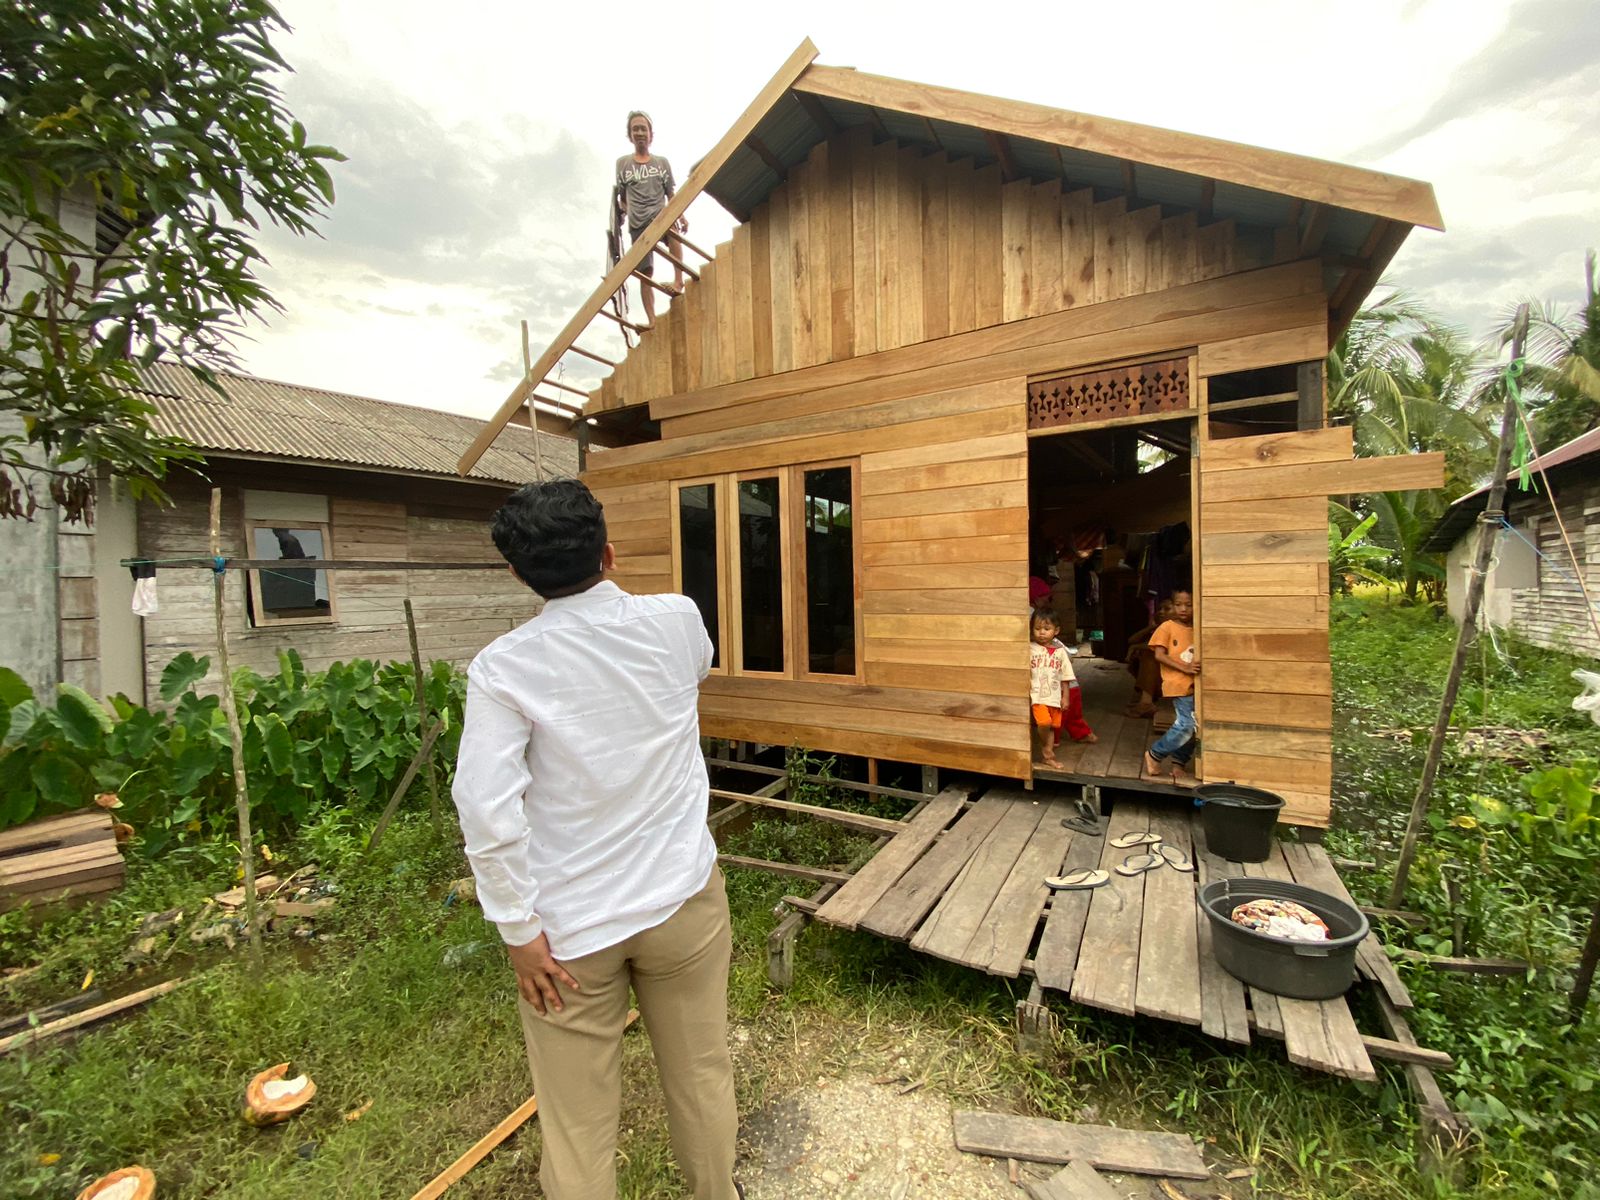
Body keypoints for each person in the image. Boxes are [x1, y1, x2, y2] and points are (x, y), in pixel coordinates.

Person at [451, 479, 740, 1200]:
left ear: (517, 574)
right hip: (682, 902)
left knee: (577, 1123)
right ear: (609, 553)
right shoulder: (678, 619)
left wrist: (518, 930)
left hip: (568, 936)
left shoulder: (504, 668)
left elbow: (485, 808)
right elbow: (697, 669)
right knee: (702, 1074)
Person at [613, 109, 686, 327]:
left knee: (673, 233)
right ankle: (652, 320)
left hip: (660, 214)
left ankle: (679, 281)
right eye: (635, 129)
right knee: (645, 272)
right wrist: (623, 212)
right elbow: (622, 198)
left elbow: (671, 194)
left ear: (650, 134)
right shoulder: (622, 164)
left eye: (643, 129)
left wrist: (681, 215)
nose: (639, 133)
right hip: (638, 221)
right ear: (630, 134)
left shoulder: (661, 163)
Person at [1143, 589, 1200, 783]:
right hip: (1179, 683)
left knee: (1195, 727)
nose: (1183, 609)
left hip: (1197, 683)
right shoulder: (1167, 627)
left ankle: (1178, 763)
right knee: (1186, 725)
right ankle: (1155, 754)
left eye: (1189, 605)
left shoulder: (1198, 627)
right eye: (1178, 604)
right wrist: (1185, 667)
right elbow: (1159, 655)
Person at [1030, 609, 1095, 768]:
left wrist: (1065, 697)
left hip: (1055, 696)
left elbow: (1066, 677)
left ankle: (1048, 755)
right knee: (1044, 723)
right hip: (1037, 696)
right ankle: (1044, 746)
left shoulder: (1060, 652)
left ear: (1056, 630)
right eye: (1037, 629)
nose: (1041, 633)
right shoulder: (1029, 648)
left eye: (1046, 629)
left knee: (1053, 727)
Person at [1123, 598, 1175, 718]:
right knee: (1140, 656)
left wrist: (1135, 647)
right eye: (1160, 609)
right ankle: (1147, 698)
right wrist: (1151, 627)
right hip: (1163, 666)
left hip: (1175, 666)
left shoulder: (1178, 627)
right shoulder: (1161, 627)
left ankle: (1146, 702)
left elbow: (1161, 647)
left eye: (1167, 609)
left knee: (1149, 655)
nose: (1161, 612)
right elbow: (1131, 640)